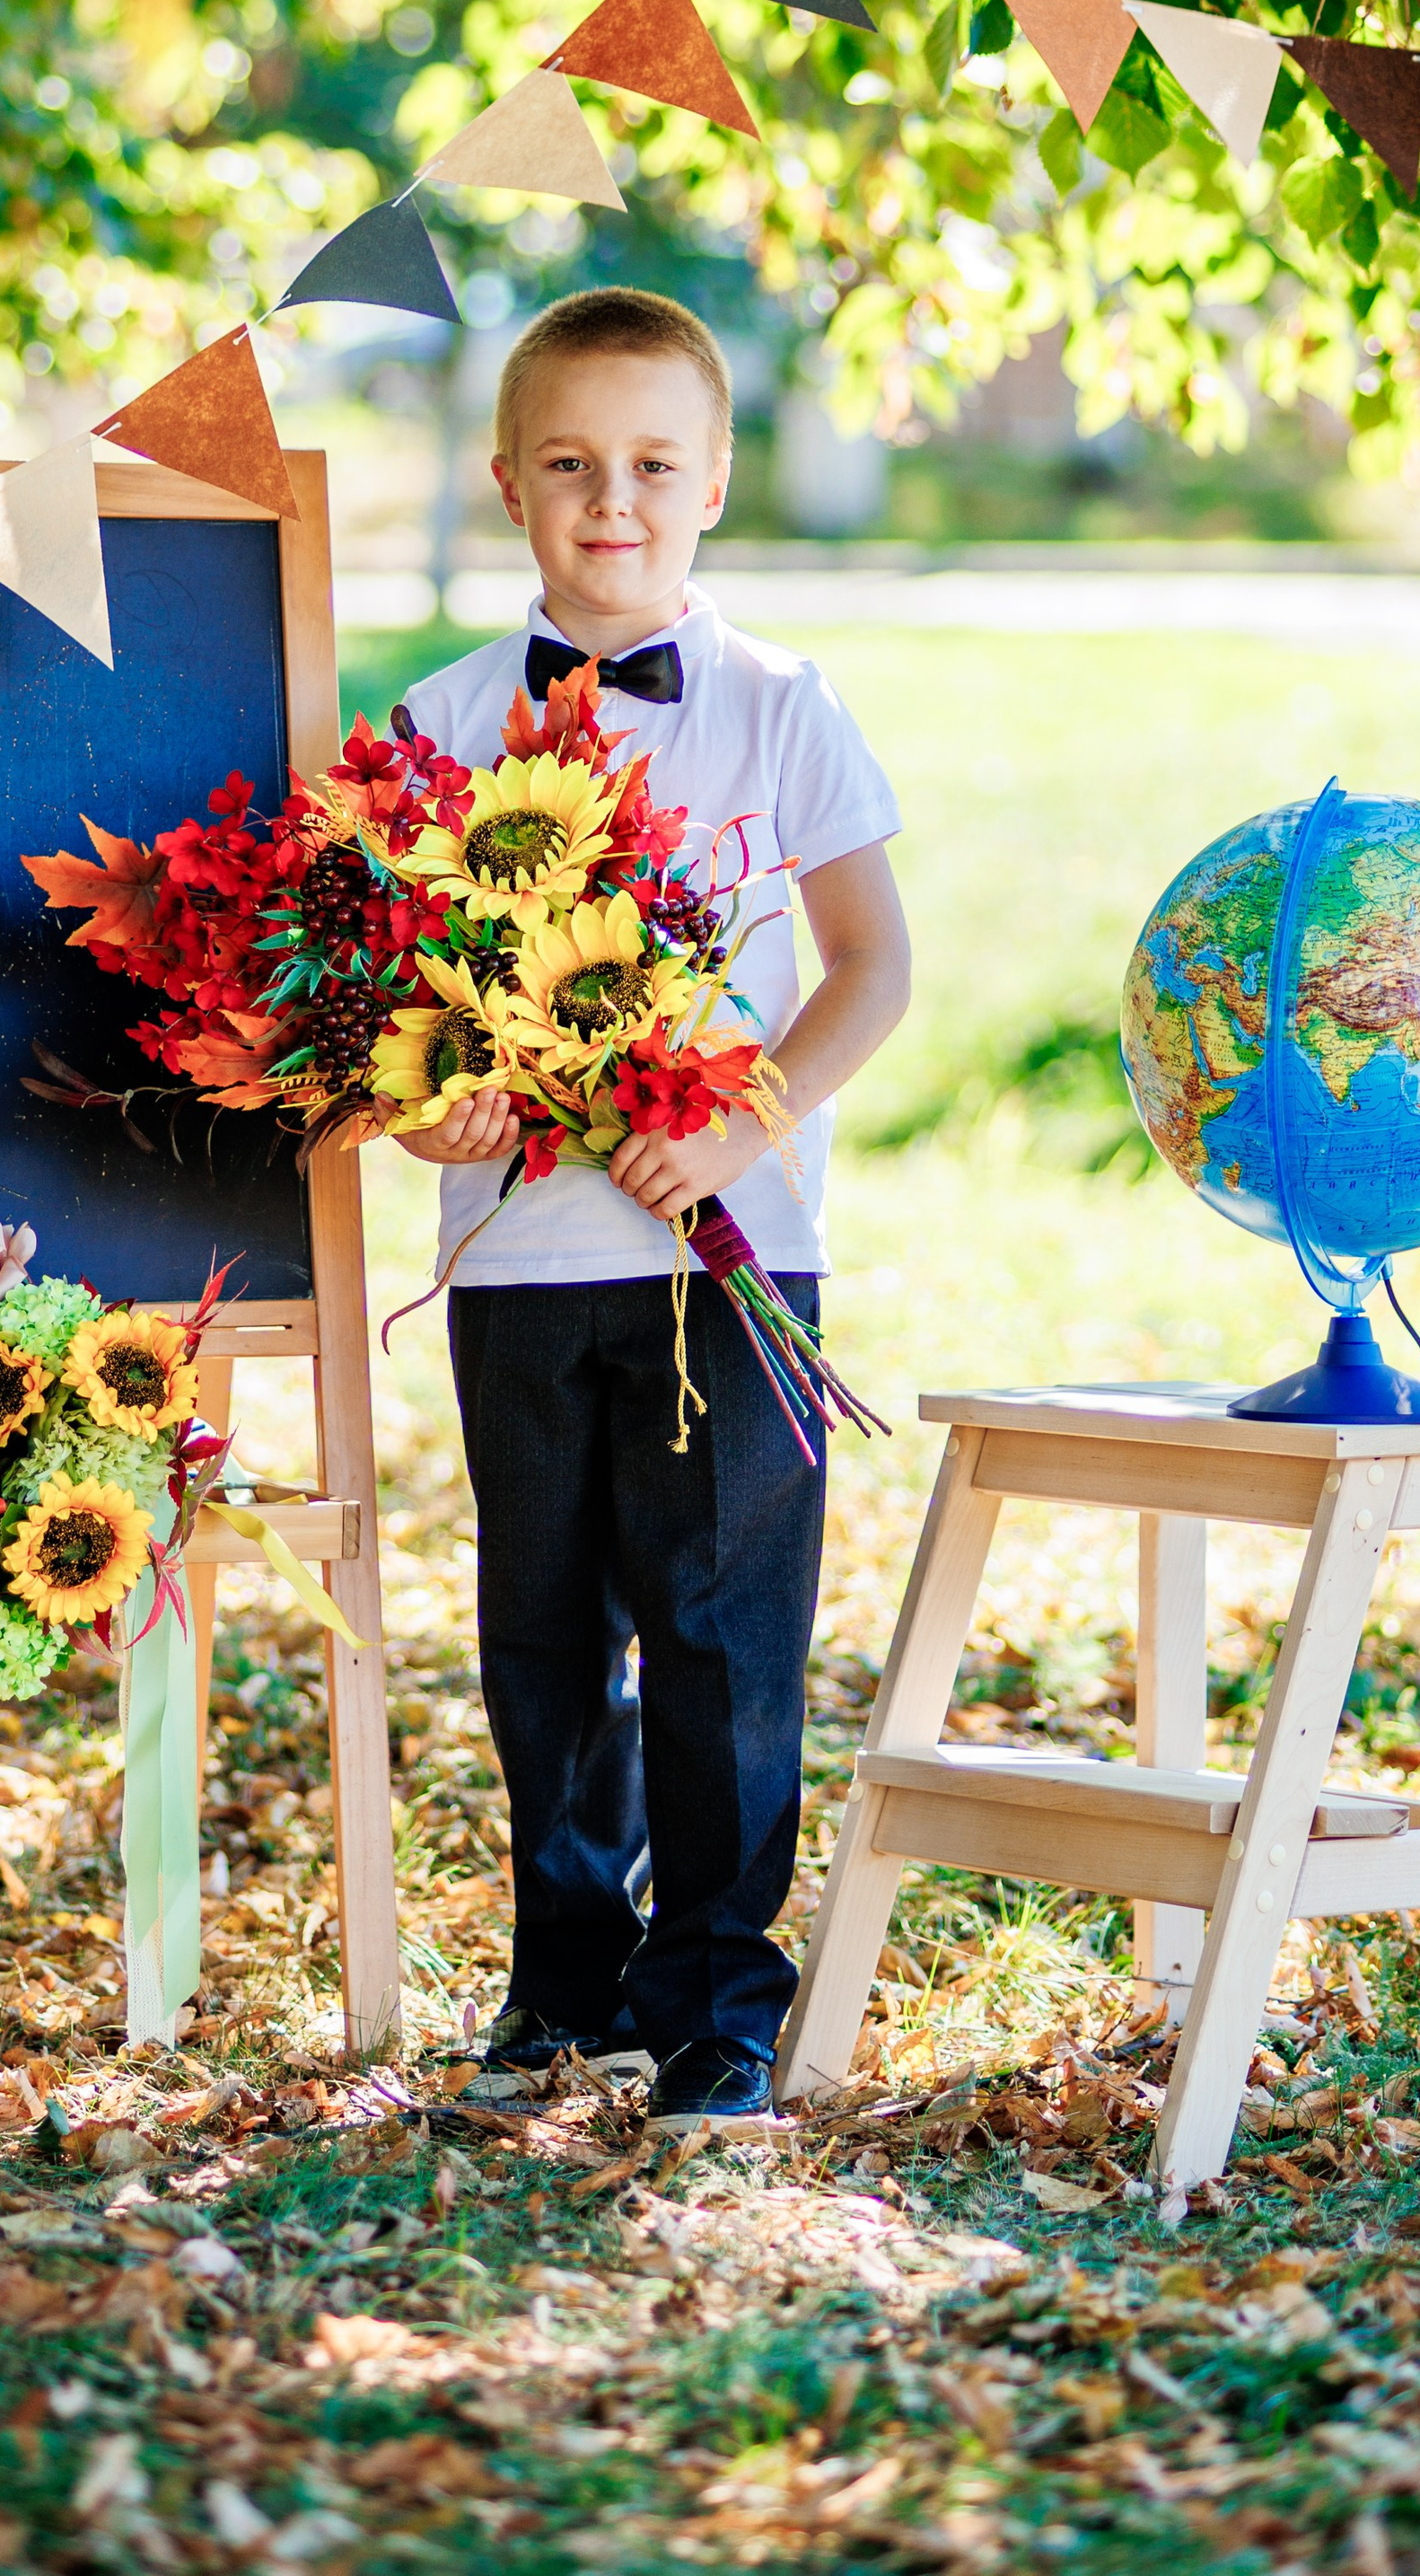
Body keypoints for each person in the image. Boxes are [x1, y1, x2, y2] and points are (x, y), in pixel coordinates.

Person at [396, 287, 911, 2135]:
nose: (609, 499)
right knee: (542, 1637)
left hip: (723, 1257)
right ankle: (561, 1989)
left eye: (649, 464)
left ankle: (714, 2007)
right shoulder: (434, 722)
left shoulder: (780, 708)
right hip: (518, 1257)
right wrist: (432, 1111)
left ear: (712, 484)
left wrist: (738, 1126)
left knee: (716, 1638)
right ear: (506, 484)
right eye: (568, 463)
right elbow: (391, 1005)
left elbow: (869, 969)